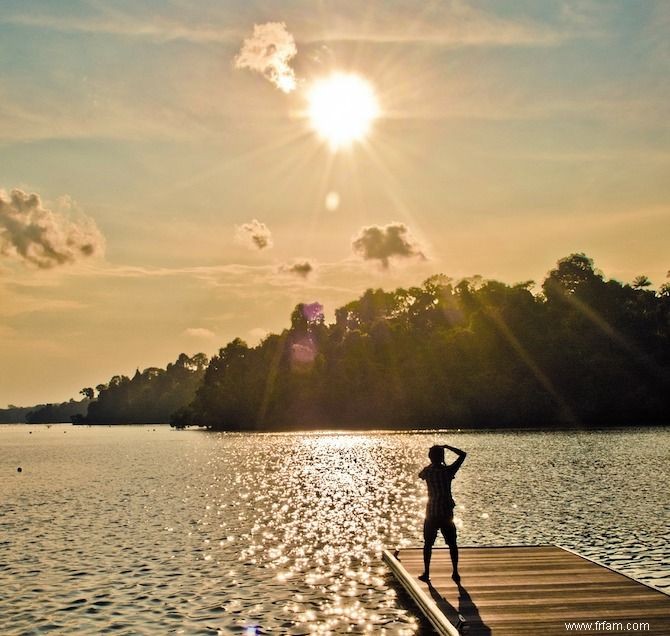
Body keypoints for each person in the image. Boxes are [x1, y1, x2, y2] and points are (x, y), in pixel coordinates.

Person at [418, 443, 467, 584]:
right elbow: (463, 455)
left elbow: (420, 475)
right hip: (446, 513)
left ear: (430, 457)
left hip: (432, 513)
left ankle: (427, 572)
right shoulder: (448, 471)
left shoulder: (428, 471)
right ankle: (455, 572)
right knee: (452, 543)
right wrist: (448, 447)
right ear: (442, 456)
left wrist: (431, 464)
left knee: (428, 544)